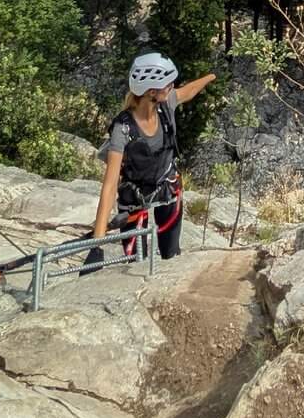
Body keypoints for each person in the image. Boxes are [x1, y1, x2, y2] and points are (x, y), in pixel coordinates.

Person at [83, 51, 216, 271]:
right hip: (133, 198)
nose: (172, 87)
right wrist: (96, 246)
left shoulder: (166, 105)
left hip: (167, 190)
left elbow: (188, 92)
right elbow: (109, 185)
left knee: (170, 256)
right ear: (151, 92)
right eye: (168, 85)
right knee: (136, 264)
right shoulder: (123, 129)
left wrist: (210, 76)